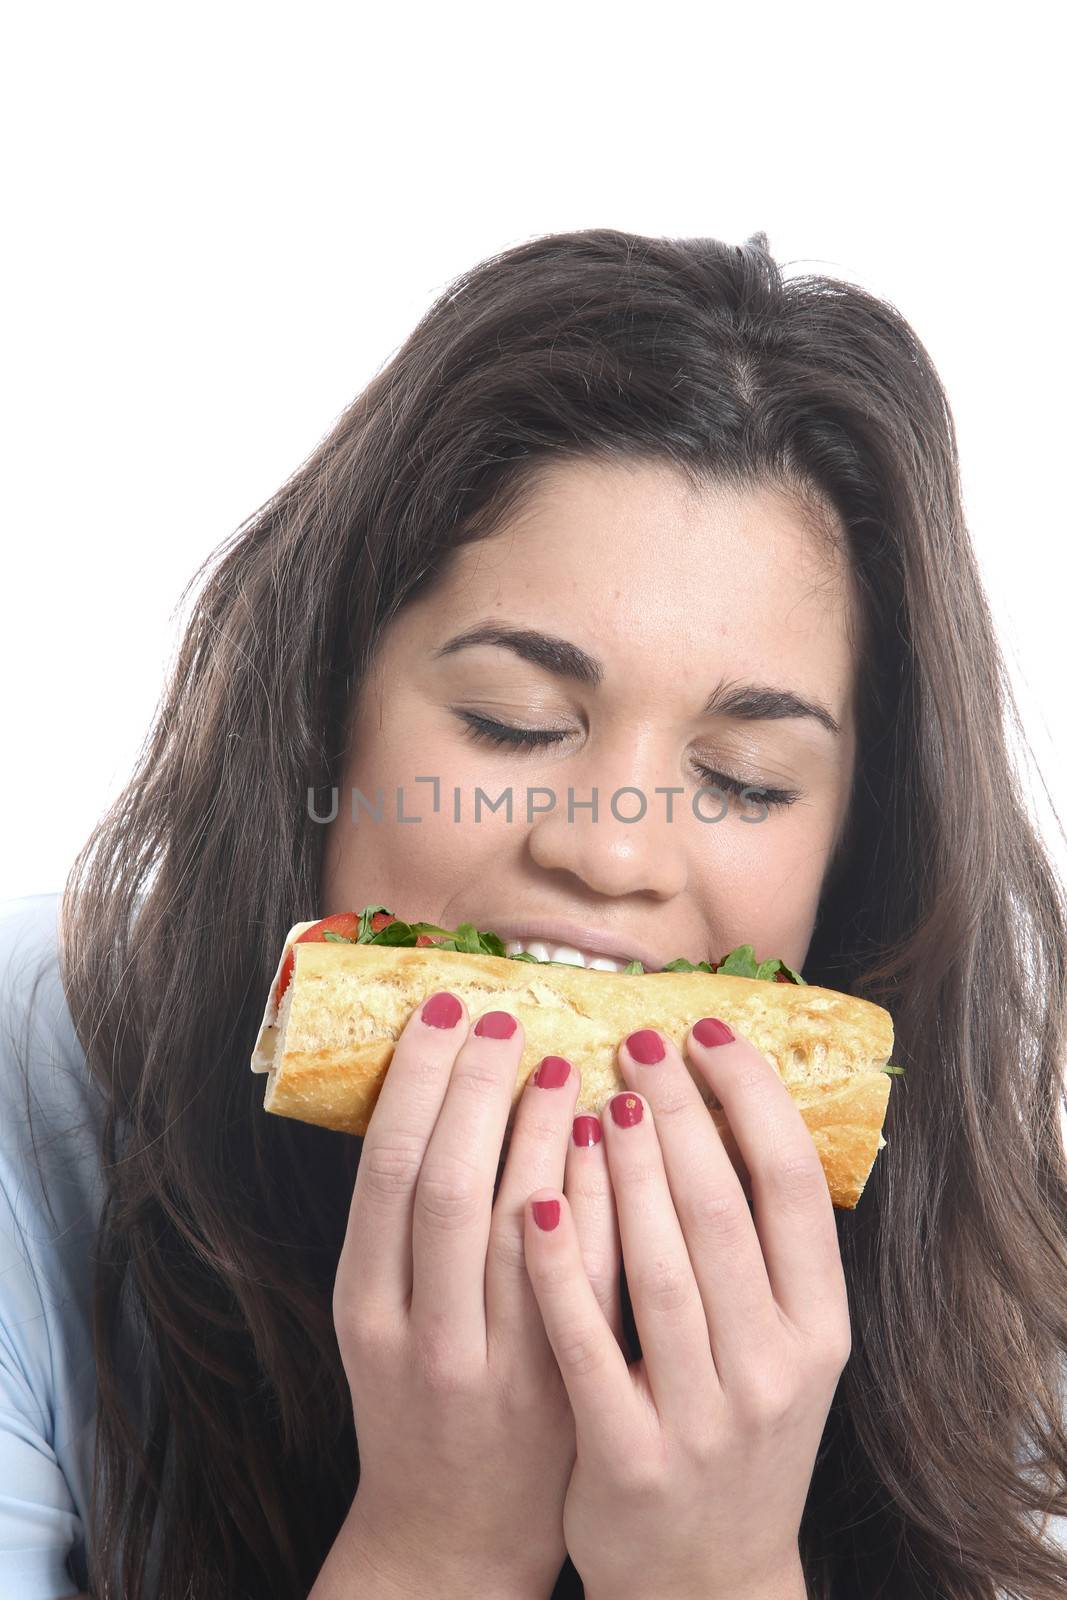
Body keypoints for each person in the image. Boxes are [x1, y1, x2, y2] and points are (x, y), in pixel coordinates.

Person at [1, 228, 1065, 1600]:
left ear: (851, 856)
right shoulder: (29, 1077)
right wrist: (439, 1544)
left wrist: (715, 1575)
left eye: (745, 780)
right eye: (514, 724)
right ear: (326, 723)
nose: (613, 855)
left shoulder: (992, 1276)